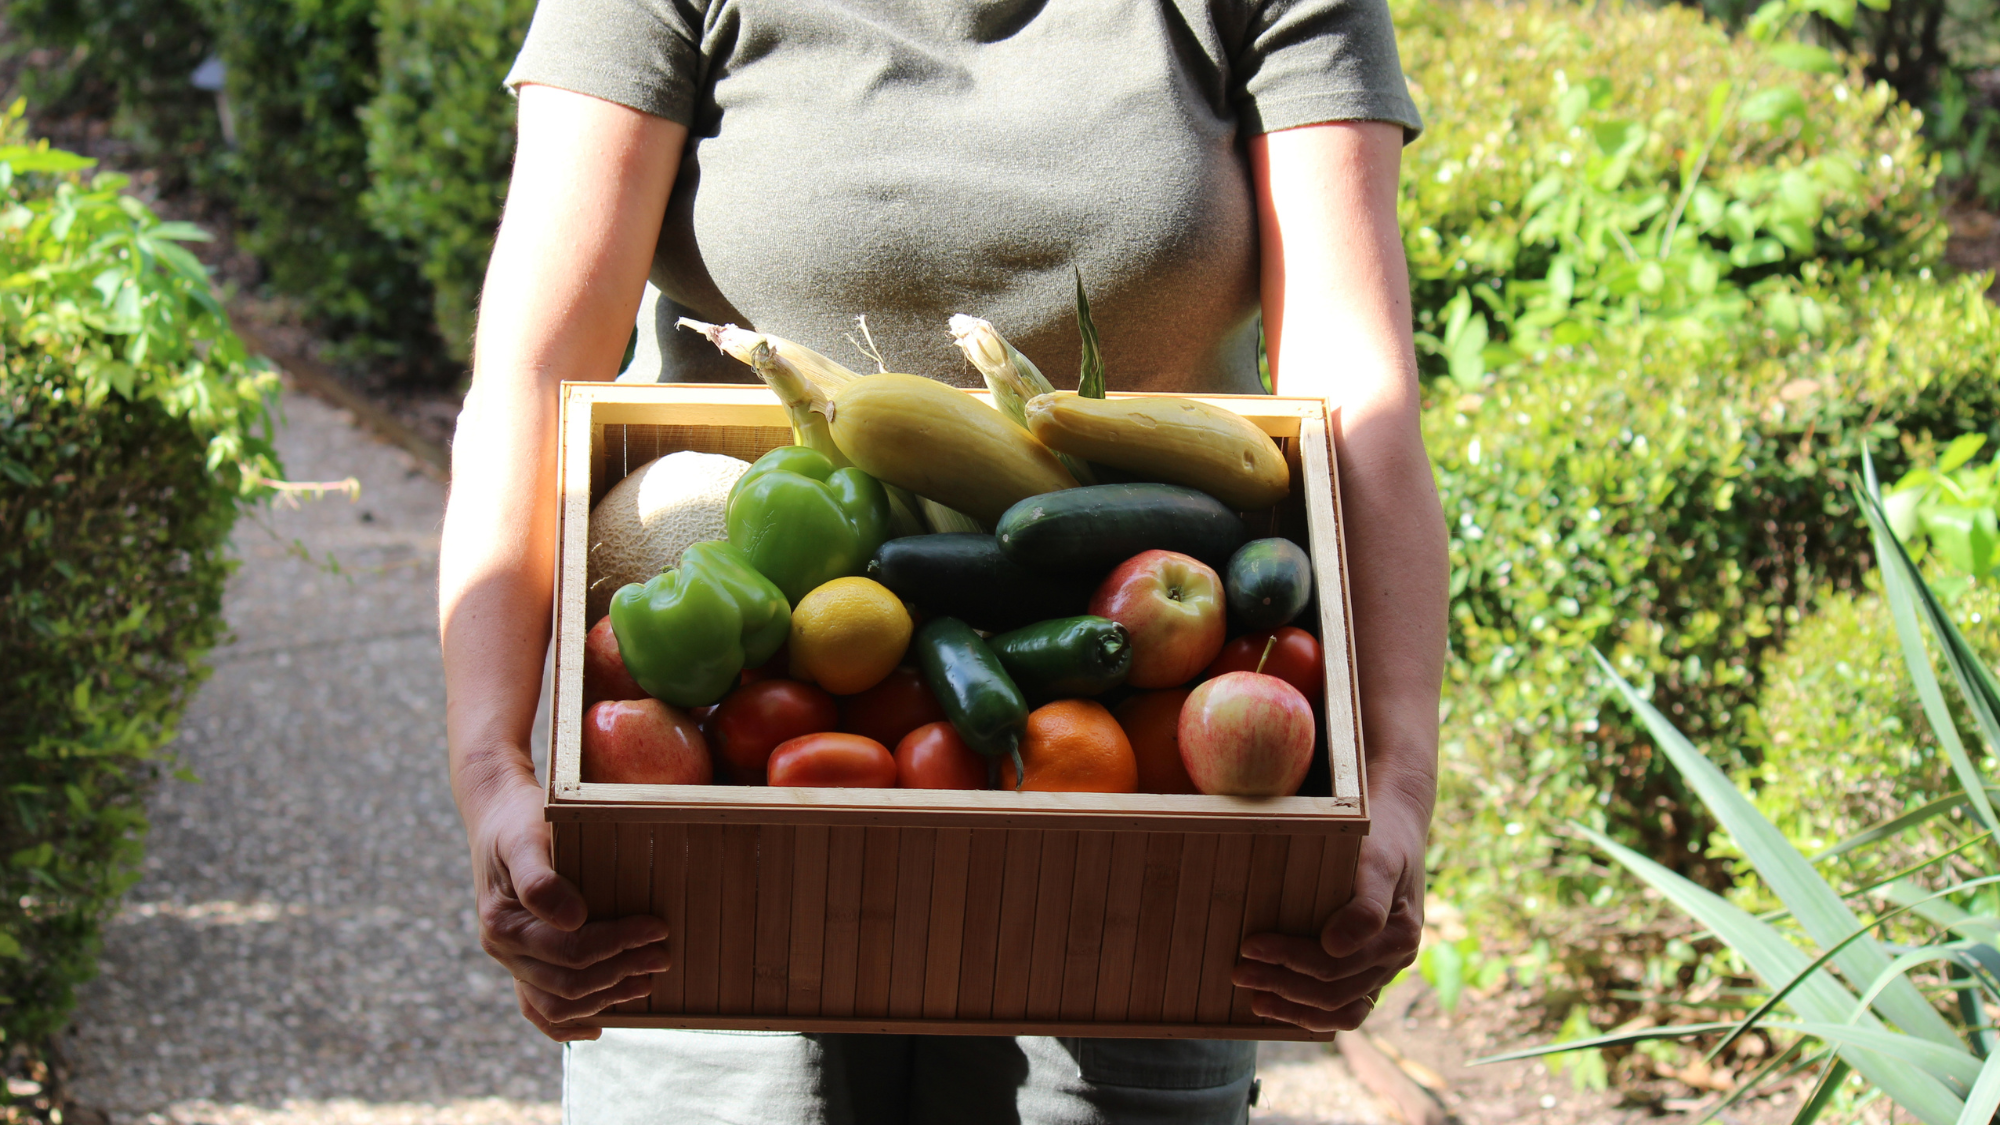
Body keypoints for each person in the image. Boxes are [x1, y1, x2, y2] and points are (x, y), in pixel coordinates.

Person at [439, 2, 1448, 1121]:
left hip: (1149, 793)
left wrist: (1394, 793)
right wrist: (494, 775)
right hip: (725, 792)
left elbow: (1362, 394)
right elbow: (532, 372)